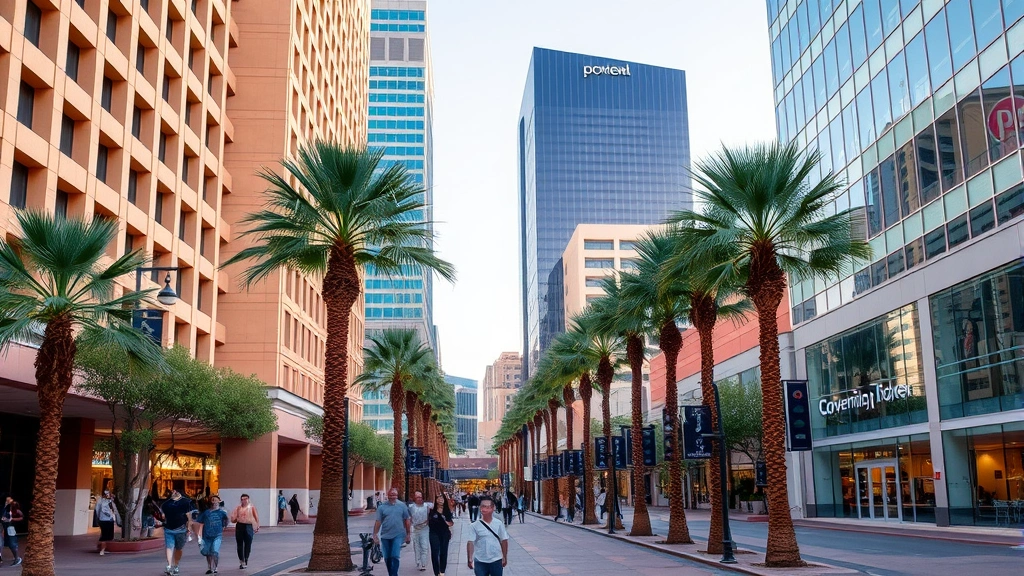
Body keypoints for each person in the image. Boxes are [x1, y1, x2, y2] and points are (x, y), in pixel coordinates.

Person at [372, 488, 411, 576]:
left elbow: (407, 520)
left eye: (394, 495)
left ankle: (394, 574)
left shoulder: (402, 506)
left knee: (395, 555)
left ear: (397, 496)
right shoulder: (381, 507)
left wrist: (408, 534)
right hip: (385, 535)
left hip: (398, 534)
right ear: (388, 495)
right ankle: (391, 574)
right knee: (387, 557)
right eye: (391, 495)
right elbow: (378, 521)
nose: (393, 497)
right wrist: (375, 534)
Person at [466, 497, 508, 576]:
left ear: (493, 508)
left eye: (488, 507)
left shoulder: (498, 523)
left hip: (496, 560)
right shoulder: (474, 526)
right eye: (483, 506)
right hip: (480, 560)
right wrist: (470, 558)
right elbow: (470, 542)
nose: (485, 509)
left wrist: (504, 556)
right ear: (480, 508)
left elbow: (504, 540)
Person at [160, 488, 195, 575]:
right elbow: (163, 516)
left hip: (181, 529)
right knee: (169, 547)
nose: (173, 492)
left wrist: (189, 528)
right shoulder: (165, 504)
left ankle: (176, 565)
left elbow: (189, 517)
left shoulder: (186, 502)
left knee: (179, 548)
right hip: (168, 529)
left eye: (175, 490)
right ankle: (169, 565)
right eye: (172, 491)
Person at [194, 495, 229, 575]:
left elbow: (226, 521)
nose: (214, 502)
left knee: (215, 551)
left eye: (216, 500)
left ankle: (216, 568)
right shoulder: (206, 512)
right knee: (207, 553)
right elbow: (199, 523)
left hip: (217, 535)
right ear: (210, 502)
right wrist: (199, 535)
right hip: (206, 535)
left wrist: (225, 524)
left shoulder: (222, 512)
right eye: (213, 500)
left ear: (219, 502)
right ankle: (210, 567)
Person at [229, 493, 259, 570]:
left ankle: (246, 558)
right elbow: (233, 519)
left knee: (248, 543)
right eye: (242, 499)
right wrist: (235, 518)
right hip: (240, 526)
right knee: (239, 544)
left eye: (246, 499)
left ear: (248, 499)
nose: (244, 501)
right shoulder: (238, 508)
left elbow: (256, 517)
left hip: (248, 526)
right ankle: (241, 560)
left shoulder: (252, 507)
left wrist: (257, 525)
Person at [428, 493, 454, 576]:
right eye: (438, 498)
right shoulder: (432, 511)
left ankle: (442, 571)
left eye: (442, 498)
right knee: (435, 553)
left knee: (443, 552)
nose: (440, 500)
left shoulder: (447, 511)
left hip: (444, 533)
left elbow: (450, 522)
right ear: (435, 500)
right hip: (434, 533)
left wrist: (448, 523)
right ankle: (436, 572)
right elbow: (429, 522)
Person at [408, 490, 431, 572]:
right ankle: (418, 561)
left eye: (420, 497)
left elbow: (430, 515)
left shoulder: (427, 506)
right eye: (417, 497)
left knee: (424, 546)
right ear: (414, 498)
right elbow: (408, 518)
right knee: (416, 546)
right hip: (415, 528)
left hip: (424, 528)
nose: (419, 498)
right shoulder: (411, 507)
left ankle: (423, 563)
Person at [94, 489, 120, 557]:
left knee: (107, 535)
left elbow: (97, 509)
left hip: (106, 519)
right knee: (105, 536)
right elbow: (103, 510)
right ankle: (102, 549)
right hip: (106, 519)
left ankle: (102, 548)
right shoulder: (105, 501)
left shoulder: (105, 500)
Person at [1, 496, 24, 566]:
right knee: (5, 543)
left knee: (12, 543)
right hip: (4, 527)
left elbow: (21, 517)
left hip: (10, 528)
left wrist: (12, 519)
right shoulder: (4, 509)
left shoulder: (14, 510)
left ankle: (17, 559)